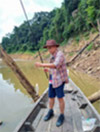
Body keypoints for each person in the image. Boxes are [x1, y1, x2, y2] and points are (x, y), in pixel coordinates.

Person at [35, 39, 69, 127]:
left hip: (59, 80)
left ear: (55, 47)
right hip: (52, 80)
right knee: (51, 97)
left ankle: (61, 115)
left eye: (50, 48)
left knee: (60, 98)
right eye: (47, 48)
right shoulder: (52, 56)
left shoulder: (60, 54)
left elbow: (56, 65)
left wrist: (42, 65)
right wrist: (48, 70)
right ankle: (51, 111)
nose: (49, 50)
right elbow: (53, 68)